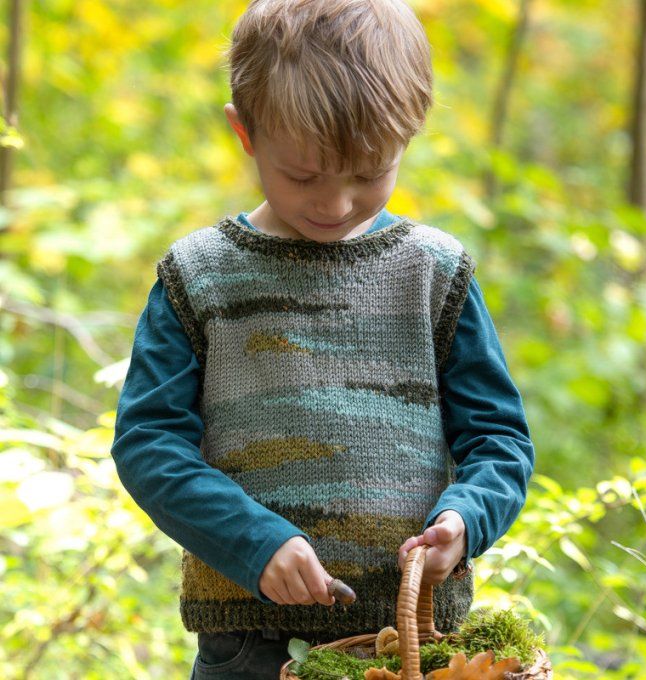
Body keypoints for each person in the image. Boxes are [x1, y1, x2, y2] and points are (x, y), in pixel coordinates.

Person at [110, 0, 535, 678]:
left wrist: (465, 519)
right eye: (302, 176)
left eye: (368, 175)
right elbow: (148, 442)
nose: (334, 205)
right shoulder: (200, 276)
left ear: (410, 136)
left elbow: (499, 439)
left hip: (413, 641)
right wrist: (253, 541)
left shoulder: (435, 272)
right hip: (250, 645)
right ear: (244, 133)